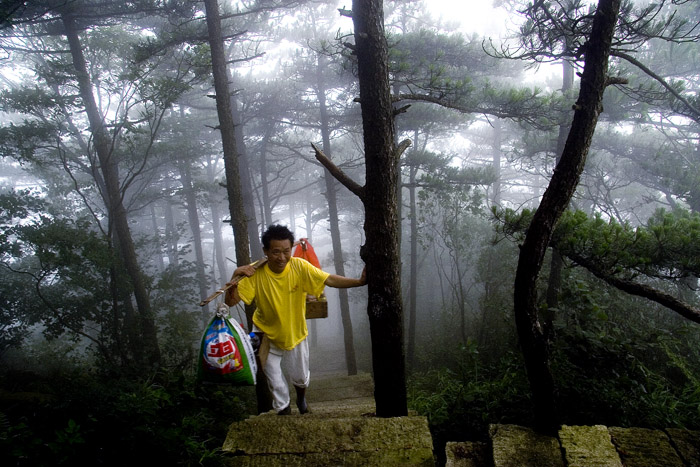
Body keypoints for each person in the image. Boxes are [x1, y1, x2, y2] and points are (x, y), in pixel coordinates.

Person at [225, 224, 366, 415]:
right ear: (266, 251)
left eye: (286, 251)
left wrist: (359, 282)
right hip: (264, 333)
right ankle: (283, 411)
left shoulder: (299, 266)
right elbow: (231, 301)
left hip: (294, 331)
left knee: (300, 377)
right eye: (275, 252)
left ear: (291, 248)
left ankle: (301, 399)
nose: (282, 257)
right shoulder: (253, 272)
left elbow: (329, 279)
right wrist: (235, 275)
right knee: (273, 378)